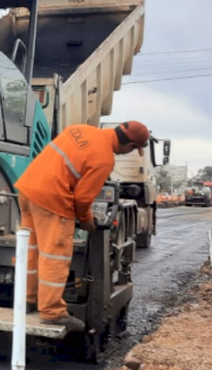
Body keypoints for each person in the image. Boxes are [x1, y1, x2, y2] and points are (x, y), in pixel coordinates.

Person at [15, 121, 150, 332]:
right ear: (131, 145)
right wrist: (87, 221)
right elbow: (83, 198)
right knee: (54, 255)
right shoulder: (104, 159)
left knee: (30, 249)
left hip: (28, 189)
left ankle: (25, 299)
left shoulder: (80, 130)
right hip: (53, 199)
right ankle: (52, 312)